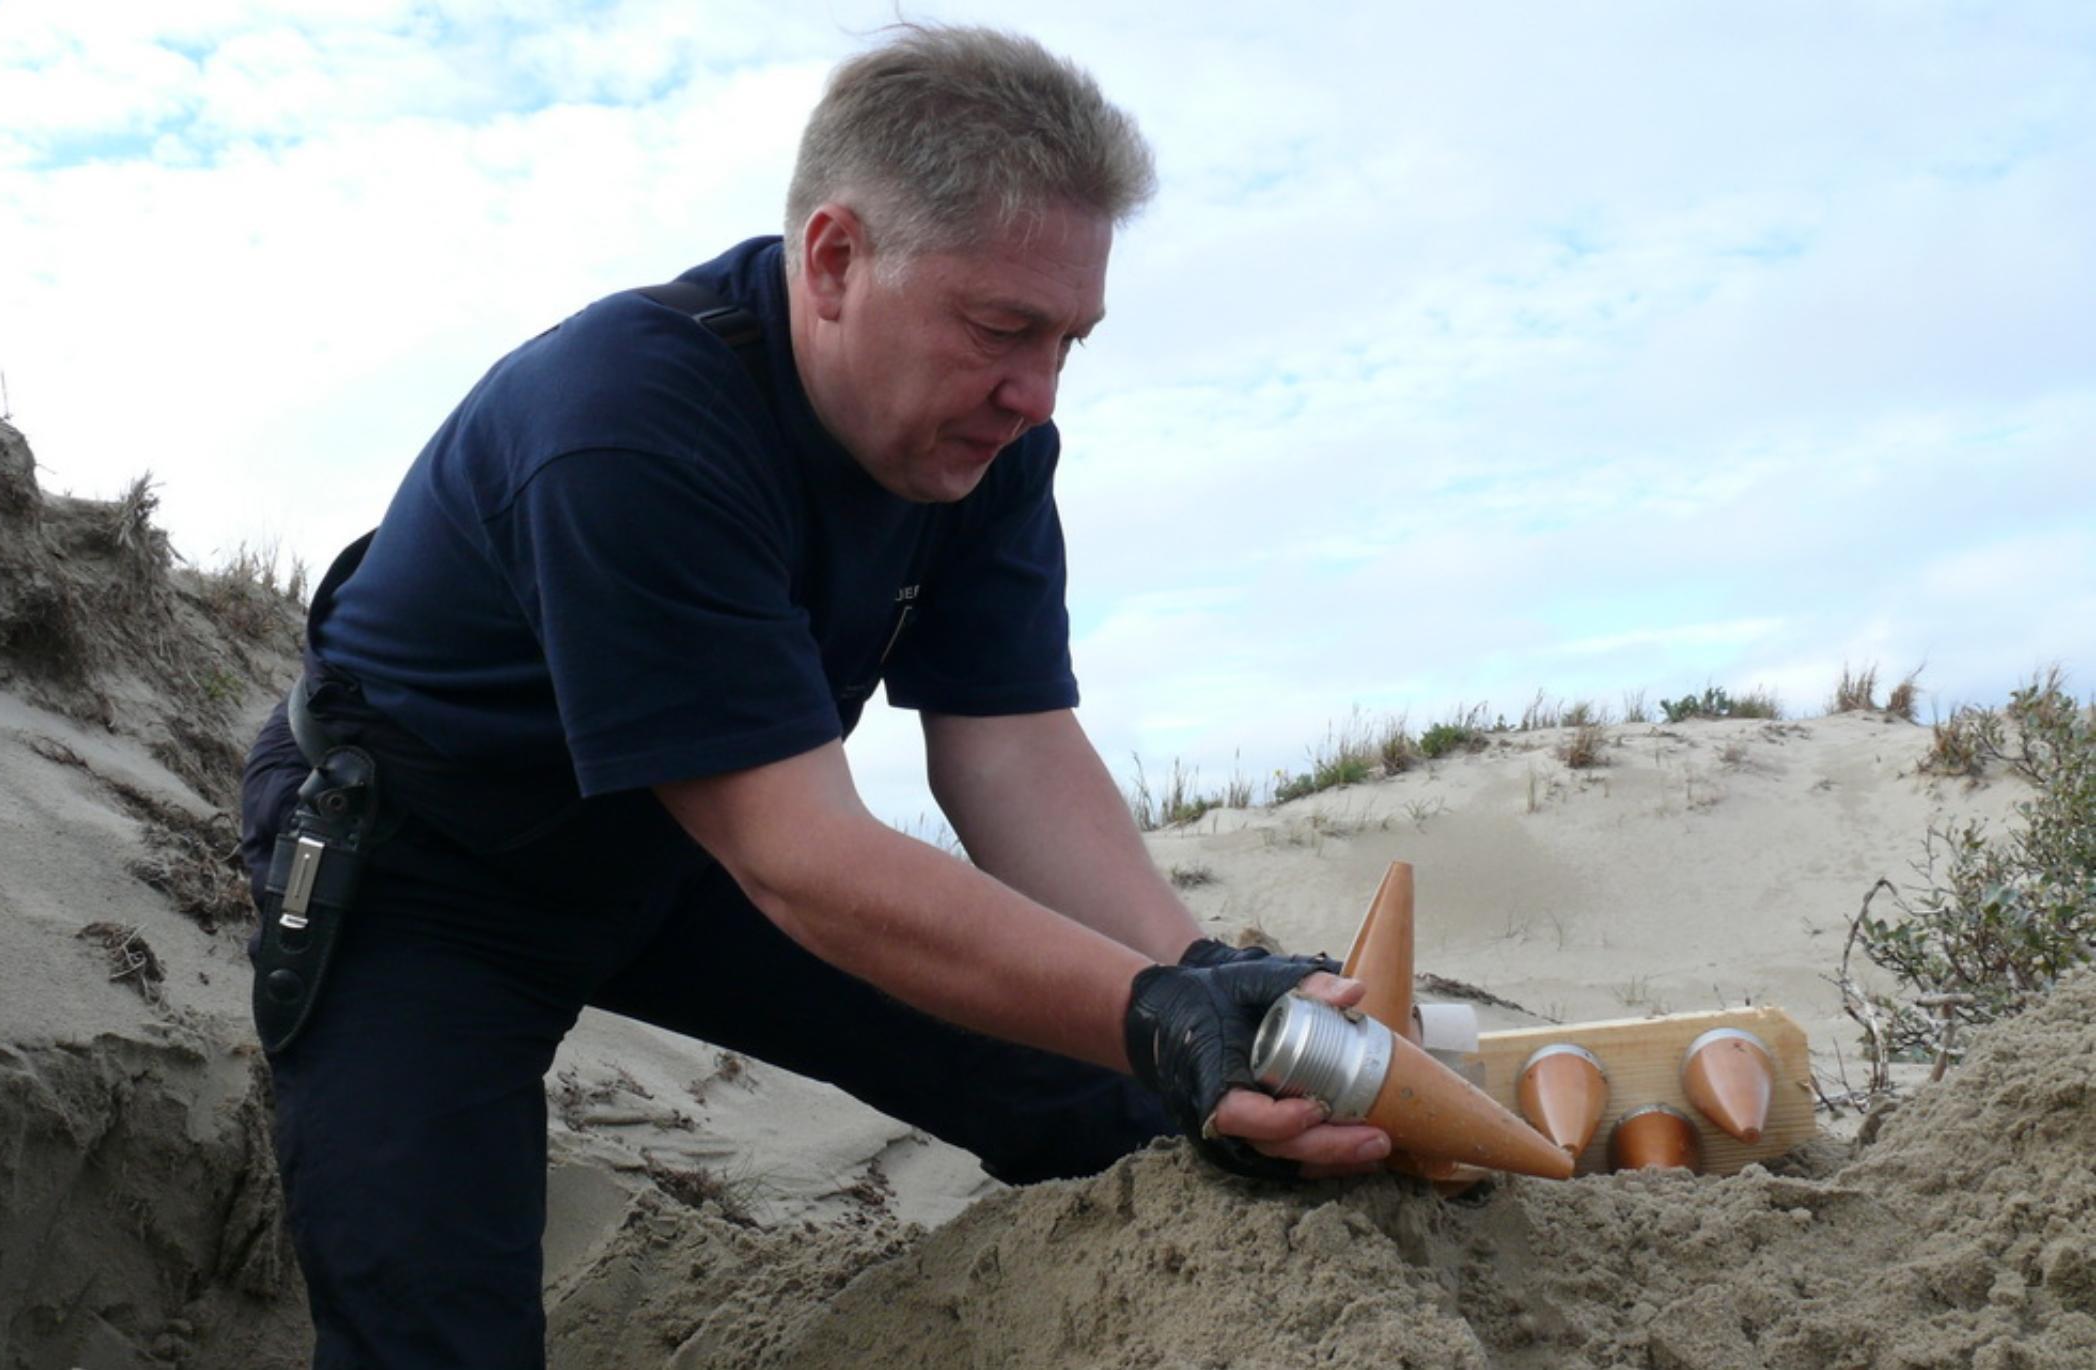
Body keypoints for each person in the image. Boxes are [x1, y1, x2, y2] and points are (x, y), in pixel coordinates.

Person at [238, 24, 1390, 1368]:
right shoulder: (626, 424)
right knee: (433, 1340)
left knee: (1125, 1092)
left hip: (687, 854)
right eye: (1004, 328)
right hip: (428, 868)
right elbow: (804, 860)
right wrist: (1152, 1010)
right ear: (836, 261)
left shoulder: (984, 441)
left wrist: (1187, 983)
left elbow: (1009, 747)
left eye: (1070, 340)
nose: (1037, 392)